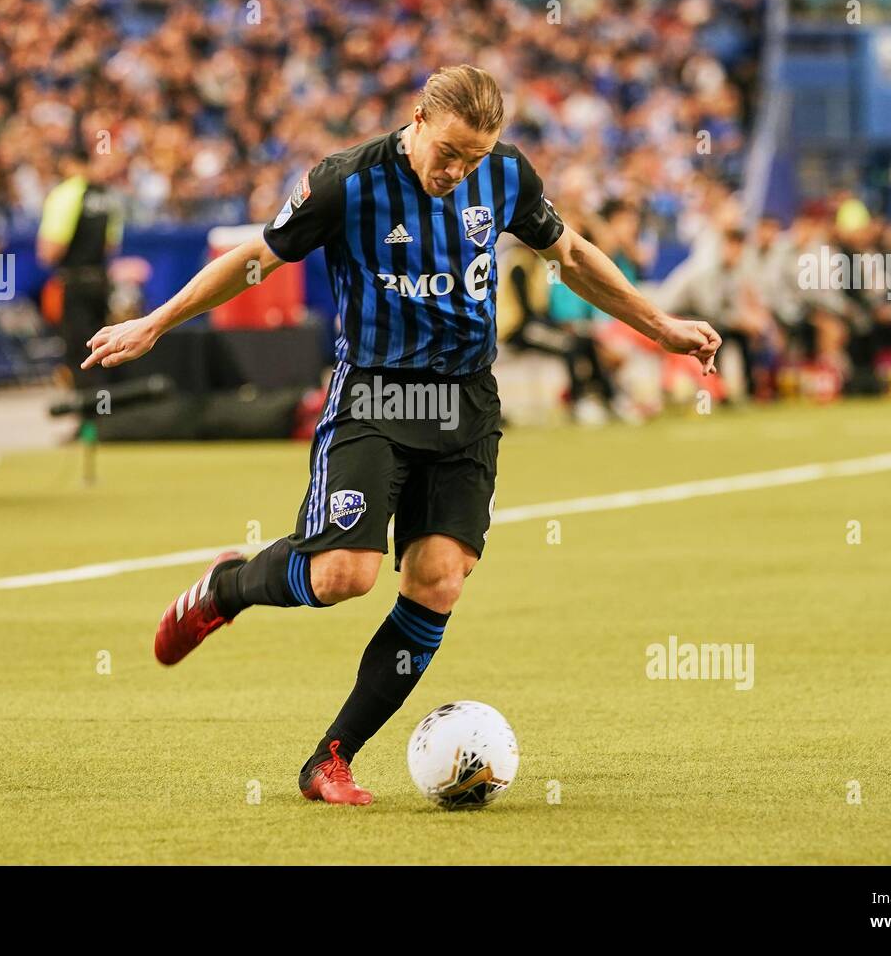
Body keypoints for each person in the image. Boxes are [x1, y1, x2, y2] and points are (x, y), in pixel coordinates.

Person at [81, 66, 721, 805]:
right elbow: (255, 260)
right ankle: (228, 585)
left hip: (466, 404)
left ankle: (331, 757)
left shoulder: (506, 177)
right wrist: (155, 322)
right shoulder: (344, 183)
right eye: (449, 151)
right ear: (416, 120)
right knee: (341, 576)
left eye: (474, 158)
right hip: (377, 395)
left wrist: (662, 327)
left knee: (439, 579)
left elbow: (570, 256)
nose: (459, 170)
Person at [37, 148, 126, 389]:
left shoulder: (67, 193)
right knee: (102, 348)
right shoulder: (109, 196)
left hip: (74, 283)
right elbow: (110, 245)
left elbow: (50, 250)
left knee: (80, 353)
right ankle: (103, 415)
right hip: (100, 281)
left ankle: (88, 423)